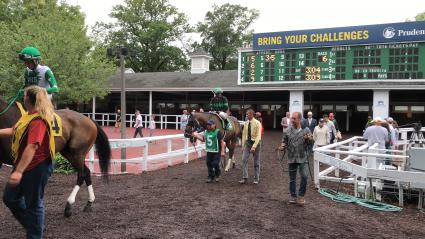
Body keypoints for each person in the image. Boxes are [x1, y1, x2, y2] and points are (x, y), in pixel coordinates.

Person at [0, 85, 55, 239]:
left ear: (30, 100)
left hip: (37, 166)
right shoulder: (27, 115)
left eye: (25, 96)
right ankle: (34, 227)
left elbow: (32, 146)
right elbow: (13, 130)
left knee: (34, 204)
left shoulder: (38, 120)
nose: (23, 98)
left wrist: (18, 171)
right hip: (24, 164)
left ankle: (35, 234)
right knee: (10, 198)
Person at [279, 112, 313, 206]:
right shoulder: (287, 130)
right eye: (292, 118)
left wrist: (309, 139)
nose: (292, 120)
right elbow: (284, 141)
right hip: (292, 158)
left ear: (299, 119)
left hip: (303, 158)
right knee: (292, 179)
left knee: (305, 176)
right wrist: (282, 146)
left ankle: (301, 196)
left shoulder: (306, 130)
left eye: (294, 118)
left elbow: (311, 142)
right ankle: (293, 196)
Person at [239, 109, 262, 184]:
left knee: (256, 162)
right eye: (246, 114)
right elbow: (244, 134)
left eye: (247, 114)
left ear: (252, 114)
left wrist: (254, 146)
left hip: (256, 143)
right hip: (248, 143)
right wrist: (243, 145)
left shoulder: (258, 123)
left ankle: (256, 178)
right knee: (244, 159)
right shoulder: (246, 123)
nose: (246, 115)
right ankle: (245, 177)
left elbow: (258, 136)